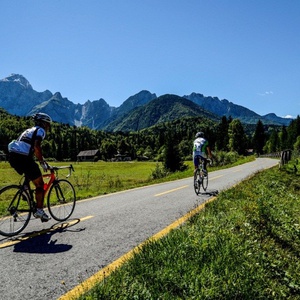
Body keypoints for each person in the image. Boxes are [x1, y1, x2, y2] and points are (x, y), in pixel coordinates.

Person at [8, 113, 52, 222]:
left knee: (29, 174)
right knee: (40, 184)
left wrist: (42, 160)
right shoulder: (40, 131)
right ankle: (39, 210)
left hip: (12, 156)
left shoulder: (28, 130)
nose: (48, 127)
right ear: (43, 123)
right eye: (47, 124)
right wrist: (41, 162)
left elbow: (30, 149)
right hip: (23, 157)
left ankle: (25, 191)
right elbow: (37, 146)